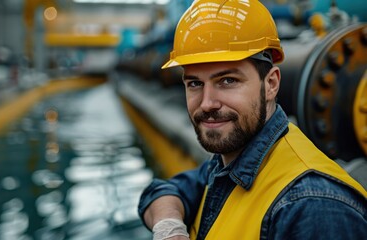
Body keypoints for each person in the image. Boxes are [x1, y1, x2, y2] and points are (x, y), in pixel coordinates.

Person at [137, 0, 367, 239]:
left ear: (271, 84)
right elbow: (164, 189)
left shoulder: (313, 207)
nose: (207, 103)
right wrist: (169, 225)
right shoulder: (229, 161)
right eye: (195, 83)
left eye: (227, 81)